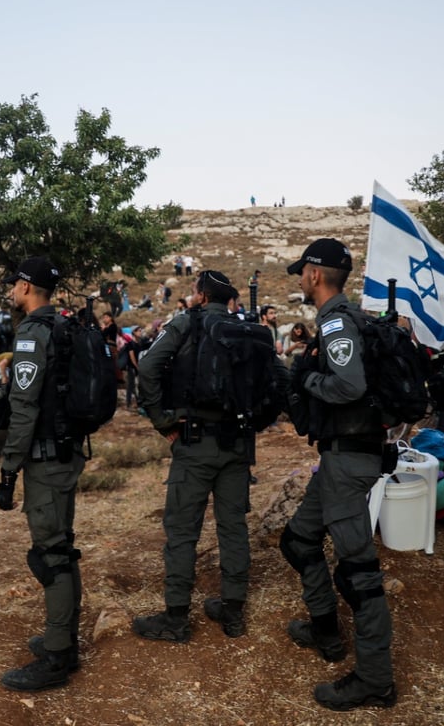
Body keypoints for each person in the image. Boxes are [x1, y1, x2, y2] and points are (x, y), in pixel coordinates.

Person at [278, 238, 396, 711]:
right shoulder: (346, 320)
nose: (300, 280)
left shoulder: (337, 322)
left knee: (358, 572)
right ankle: (325, 629)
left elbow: (349, 385)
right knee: (299, 541)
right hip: (338, 459)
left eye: (302, 272)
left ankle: (376, 679)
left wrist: (304, 377)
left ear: (314, 274)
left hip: (350, 462)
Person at [131, 270, 261, 644]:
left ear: (202, 296)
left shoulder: (186, 324)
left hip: (195, 442)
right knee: (232, 527)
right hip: (239, 445)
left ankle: (175, 617)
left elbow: (149, 368)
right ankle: (233, 612)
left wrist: (162, 420)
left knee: (183, 531)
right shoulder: (246, 330)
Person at [0, 256, 85, 692]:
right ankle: (63, 638)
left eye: (15, 284)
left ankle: (58, 656)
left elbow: (24, 410)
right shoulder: (66, 327)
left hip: (46, 460)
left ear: (28, 287)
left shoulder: (32, 335)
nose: (11, 291)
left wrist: (8, 469)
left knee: (51, 553)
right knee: (62, 547)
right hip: (67, 453)